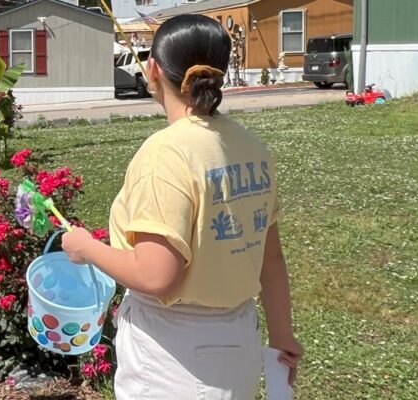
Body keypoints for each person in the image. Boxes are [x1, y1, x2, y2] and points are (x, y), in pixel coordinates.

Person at [59, 15, 302, 399]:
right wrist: (283, 335)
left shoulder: (165, 153)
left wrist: (87, 248)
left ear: (152, 70)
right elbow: (270, 259)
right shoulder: (251, 146)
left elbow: (157, 276)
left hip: (173, 355)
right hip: (239, 338)